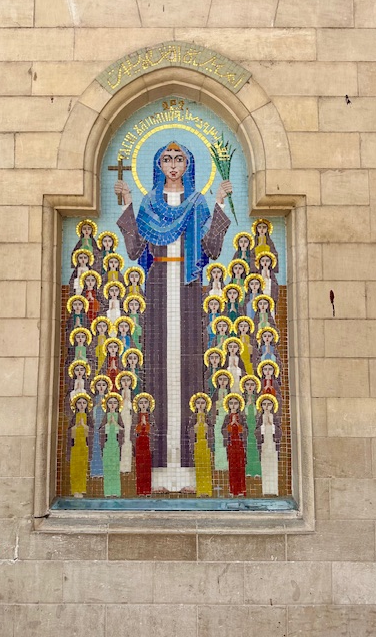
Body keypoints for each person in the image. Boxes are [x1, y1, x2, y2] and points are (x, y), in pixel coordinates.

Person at [114, 141, 232, 476]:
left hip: (188, 285)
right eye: (167, 159)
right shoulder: (150, 203)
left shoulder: (197, 202)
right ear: (159, 166)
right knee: (157, 360)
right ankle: (156, 464)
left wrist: (219, 202)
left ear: (188, 166)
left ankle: (192, 463)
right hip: (158, 283)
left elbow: (211, 248)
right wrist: (128, 203)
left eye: (179, 159)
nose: (173, 165)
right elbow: (135, 250)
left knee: (190, 360)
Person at [66, 393, 93, 498]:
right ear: (75, 405)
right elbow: (69, 433)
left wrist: (85, 427)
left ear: (87, 405)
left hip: (84, 446)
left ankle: (81, 489)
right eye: (79, 403)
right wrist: (75, 427)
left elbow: (92, 432)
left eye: (84, 403)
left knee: (83, 468)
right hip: (75, 447)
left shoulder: (88, 418)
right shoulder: (74, 418)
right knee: (74, 468)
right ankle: (74, 489)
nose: (81, 405)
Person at [221, 393, 247, 497]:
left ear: (239, 405)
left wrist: (239, 426)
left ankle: (241, 490)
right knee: (232, 467)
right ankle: (233, 490)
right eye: (231, 403)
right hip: (231, 444)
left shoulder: (242, 417)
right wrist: (230, 425)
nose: (233, 405)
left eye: (235, 403)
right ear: (228, 405)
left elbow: (246, 430)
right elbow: (223, 430)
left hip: (240, 444)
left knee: (240, 466)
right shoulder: (227, 417)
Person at [188, 392, 213, 497]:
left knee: (207, 468)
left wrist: (207, 428)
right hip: (197, 444)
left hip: (206, 445)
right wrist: (195, 427)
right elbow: (190, 431)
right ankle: (200, 491)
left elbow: (212, 431)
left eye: (203, 403)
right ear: (195, 405)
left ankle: (207, 490)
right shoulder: (193, 417)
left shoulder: (207, 417)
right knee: (199, 467)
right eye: (198, 403)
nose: (200, 405)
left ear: (206, 404)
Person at [99, 392, 125, 497]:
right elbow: (100, 430)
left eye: (115, 402)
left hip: (115, 444)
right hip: (107, 444)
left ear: (118, 404)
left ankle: (115, 491)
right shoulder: (106, 416)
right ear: (107, 405)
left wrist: (115, 423)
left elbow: (122, 429)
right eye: (110, 402)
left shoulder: (118, 416)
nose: (113, 405)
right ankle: (108, 492)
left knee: (115, 467)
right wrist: (108, 424)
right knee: (107, 467)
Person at [131, 392, 156, 496]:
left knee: (147, 467)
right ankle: (140, 490)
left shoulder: (150, 416)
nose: (143, 404)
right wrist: (140, 426)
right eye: (141, 402)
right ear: (138, 405)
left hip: (147, 442)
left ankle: (147, 490)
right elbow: (133, 431)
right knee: (140, 467)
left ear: (149, 404)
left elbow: (154, 430)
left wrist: (147, 425)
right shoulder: (136, 416)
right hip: (139, 442)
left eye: (145, 402)